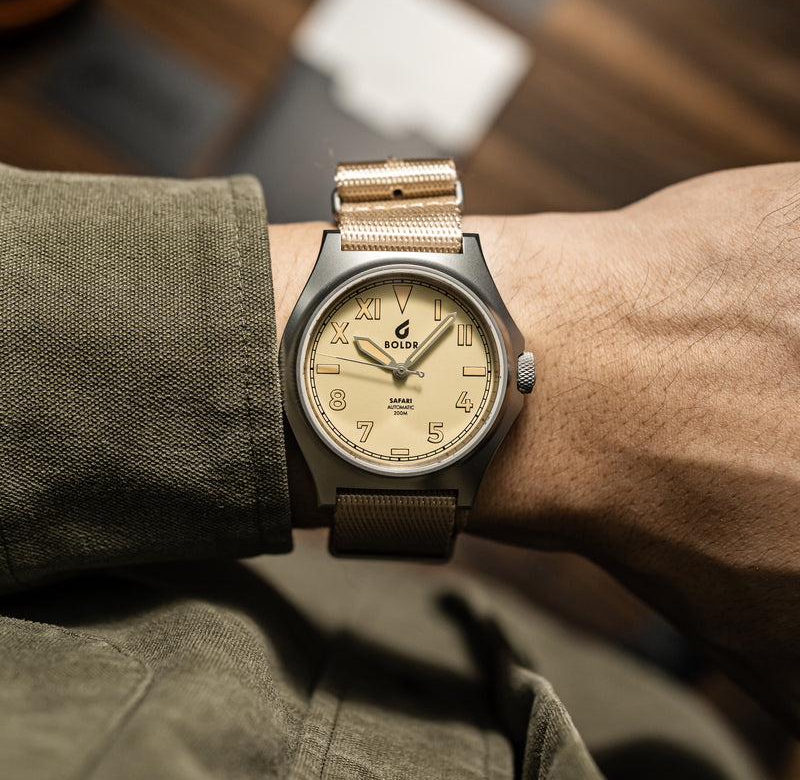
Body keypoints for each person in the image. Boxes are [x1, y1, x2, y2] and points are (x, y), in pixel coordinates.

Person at [0, 159, 796, 779]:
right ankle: (639, 676)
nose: (405, 380)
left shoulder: (507, 381)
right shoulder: (501, 386)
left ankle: (634, 675)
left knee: (637, 709)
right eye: (396, 371)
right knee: (673, 737)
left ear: (516, 374)